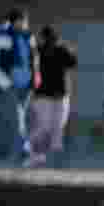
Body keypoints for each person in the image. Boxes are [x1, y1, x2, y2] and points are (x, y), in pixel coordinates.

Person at [25, 25, 77, 167]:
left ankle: (51, 158)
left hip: (52, 94)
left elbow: (72, 63)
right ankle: (34, 152)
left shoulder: (57, 50)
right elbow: (73, 62)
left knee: (53, 126)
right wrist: (68, 48)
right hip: (47, 94)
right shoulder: (42, 51)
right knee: (49, 127)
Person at [0, 8, 38, 163]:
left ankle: (14, 151)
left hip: (26, 84)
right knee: (17, 117)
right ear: (16, 21)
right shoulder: (3, 37)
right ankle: (25, 150)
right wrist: (5, 82)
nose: (26, 24)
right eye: (24, 20)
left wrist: (35, 77)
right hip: (10, 84)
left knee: (20, 117)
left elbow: (34, 58)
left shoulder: (29, 36)